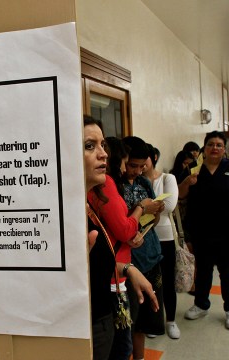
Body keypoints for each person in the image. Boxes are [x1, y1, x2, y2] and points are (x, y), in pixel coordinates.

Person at [84, 117, 158, 360]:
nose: (103, 154)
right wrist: (140, 209)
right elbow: (125, 231)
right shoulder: (74, 211)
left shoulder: (89, 204)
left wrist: (128, 269)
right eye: (89, 146)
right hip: (90, 318)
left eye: (103, 145)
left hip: (102, 309)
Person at [179, 131, 229, 331]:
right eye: (210, 145)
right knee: (203, 270)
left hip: (226, 230)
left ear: (224, 149)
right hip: (200, 229)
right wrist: (187, 182)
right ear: (204, 149)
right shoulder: (193, 168)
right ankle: (201, 305)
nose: (215, 148)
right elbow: (179, 195)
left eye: (219, 145)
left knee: (228, 271)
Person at [121, 138, 164, 360]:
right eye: (132, 165)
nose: (137, 171)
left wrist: (156, 211)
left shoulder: (144, 183)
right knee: (129, 319)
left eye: (142, 166)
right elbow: (118, 228)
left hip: (149, 254)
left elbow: (153, 221)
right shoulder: (114, 185)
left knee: (145, 320)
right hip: (128, 263)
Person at [144, 147, 181, 339]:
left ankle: (171, 321)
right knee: (150, 281)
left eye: (145, 159)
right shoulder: (137, 181)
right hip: (143, 237)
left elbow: (168, 206)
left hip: (164, 236)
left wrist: (142, 208)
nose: (142, 164)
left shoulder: (167, 179)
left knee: (167, 280)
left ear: (154, 158)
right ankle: (154, 321)